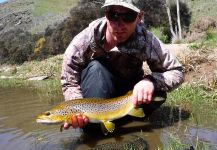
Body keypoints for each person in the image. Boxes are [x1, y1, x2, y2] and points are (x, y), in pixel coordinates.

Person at [60, 0, 184, 130]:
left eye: (128, 16)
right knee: (96, 68)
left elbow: (176, 71)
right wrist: (76, 112)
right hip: (96, 98)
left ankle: (122, 119)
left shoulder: (147, 40)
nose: (120, 25)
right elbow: (69, 82)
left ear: (139, 17)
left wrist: (150, 81)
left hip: (129, 97)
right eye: (113, 15)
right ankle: (95, 125)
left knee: (158, 92)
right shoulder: (83, 40)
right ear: (106, 14)